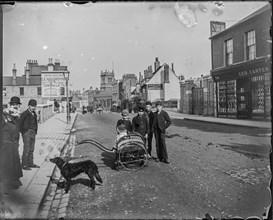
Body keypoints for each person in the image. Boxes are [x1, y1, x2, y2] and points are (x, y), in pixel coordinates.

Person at [1, 96, 23, 192]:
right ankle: (7, 183)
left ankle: (14, 181)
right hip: (6, 145)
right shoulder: (5, 115)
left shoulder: (16, 117)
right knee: (8, 164)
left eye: (16, 104)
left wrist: (17, 143)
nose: (15, 106)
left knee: (14, 164)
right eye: (13, 104)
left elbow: (17, 130)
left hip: (14, 144)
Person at [19, 99, 40, 170]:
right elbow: (20, 124)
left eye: (34, 106)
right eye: (32, 106)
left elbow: (35, 123)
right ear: (29, 106)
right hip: (27, 133)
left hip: (33, 132)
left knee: (31, 149)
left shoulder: (34, 113)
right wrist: (24, 132)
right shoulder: (25, 113)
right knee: (26, 149)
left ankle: (30, 163)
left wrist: (35, 131)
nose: (33, 107)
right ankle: (24, 165)